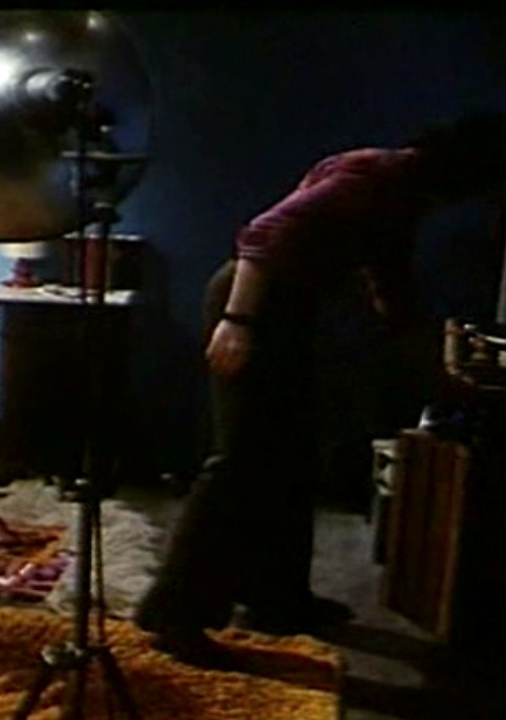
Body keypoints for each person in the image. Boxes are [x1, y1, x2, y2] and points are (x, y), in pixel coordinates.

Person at [134, 111, 506, 667]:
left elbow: (392, 286)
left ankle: (276, 598)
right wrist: (239, 322)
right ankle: (174, 612)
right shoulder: (377, 180)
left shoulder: (401, 189)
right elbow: (266, 233)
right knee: (241, 459)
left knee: (290, 452)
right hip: (255, 304)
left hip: (286, 309)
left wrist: (437, 368)